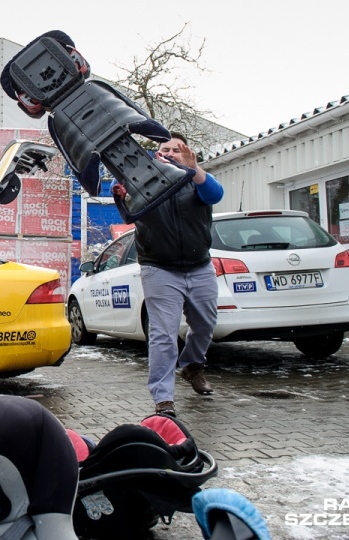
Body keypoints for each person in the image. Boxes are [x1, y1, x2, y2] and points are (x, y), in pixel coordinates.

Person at [136, 132, 224, 417]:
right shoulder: (142, 178)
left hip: (199, 266)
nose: (172, 152)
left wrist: (194, 169)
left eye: (177, 149)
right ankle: (163, 399)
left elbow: (215, 194)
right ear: (156, 153)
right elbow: (128, 205)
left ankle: (193, 366)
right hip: (159, 268)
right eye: (166, 149)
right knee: (163, 334)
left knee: (205, 324)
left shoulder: (196, 180)